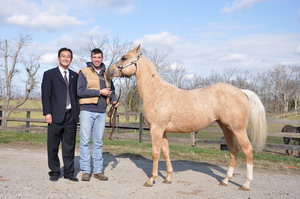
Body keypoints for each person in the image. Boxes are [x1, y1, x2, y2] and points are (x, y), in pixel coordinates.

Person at [77, 48, 119, 181]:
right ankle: (85, 171)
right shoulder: (83, 72)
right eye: (94, 57)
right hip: (86, 110)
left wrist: (114, 100)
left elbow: (110, 91)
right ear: (91, 58)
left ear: (102, 58)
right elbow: (80, 91)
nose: (96, 59)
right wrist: (99, 92)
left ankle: (98, 171)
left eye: (99, 57)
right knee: (84, 142)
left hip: (101, 111)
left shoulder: (107, 74)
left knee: (98, 142)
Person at [41, 47, 79, 182]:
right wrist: (47, 113)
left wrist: (77, 112)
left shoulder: (75, 75)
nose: (66, 58)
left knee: (69, 146)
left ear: (71, 59)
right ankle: (55, 172)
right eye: (63, 56)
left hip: (71, 116)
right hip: (55, 115)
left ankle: (69, 173)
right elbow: (46, 95)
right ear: (58, 58)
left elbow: (76, 96)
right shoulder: (49, 74)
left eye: (68, 56)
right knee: (53, 146)